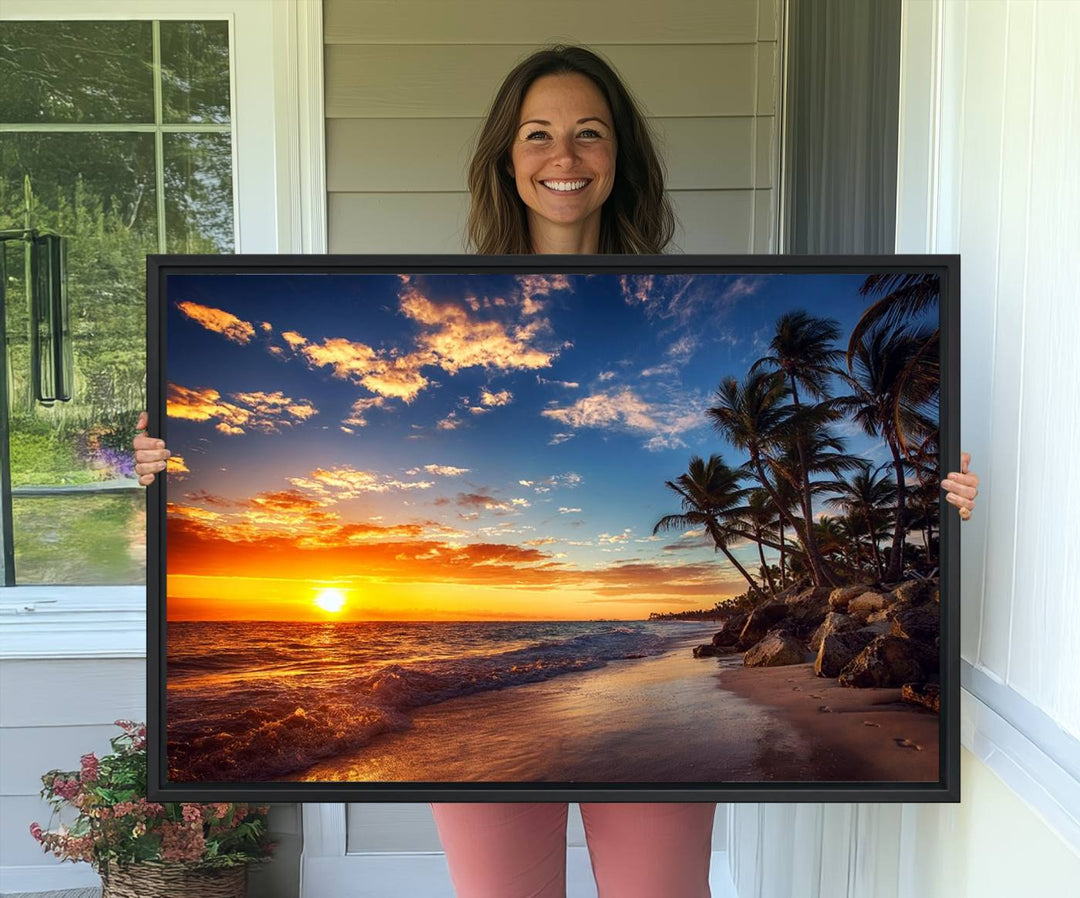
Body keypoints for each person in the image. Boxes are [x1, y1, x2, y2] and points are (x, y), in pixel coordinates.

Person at [133, 44, 979, 898]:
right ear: (507, 157)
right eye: (538, 134)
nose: (563, 157)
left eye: (589, 133)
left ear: (620, 159)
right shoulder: (440, 293)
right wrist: (163, 463)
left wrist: (942, 493)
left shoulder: (685, 291)